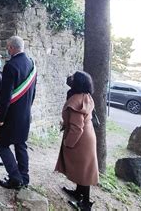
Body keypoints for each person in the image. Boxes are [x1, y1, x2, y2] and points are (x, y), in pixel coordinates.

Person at [0, 36, 36, 190]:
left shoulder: (10, 66)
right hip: (25, 114)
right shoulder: (31, 64)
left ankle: (15, 178)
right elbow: (33, 93)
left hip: (11, 116)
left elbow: (5, 97)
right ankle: (24, 178)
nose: (7, 49)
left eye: (8, 47)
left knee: (2, 144)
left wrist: (0, 118)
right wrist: (26, 109)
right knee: (21, 145)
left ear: (12, 48)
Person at [55, 71, 98, 211]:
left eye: (73, 78)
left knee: (84, 171)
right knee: (82, 169)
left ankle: (85, 204)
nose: (70, 78)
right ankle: (78, 193)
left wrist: (68, 143)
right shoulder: (86, 96)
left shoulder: (76, 101)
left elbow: (76, 128)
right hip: (88, 135)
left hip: (81, 140)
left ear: (78, 83)